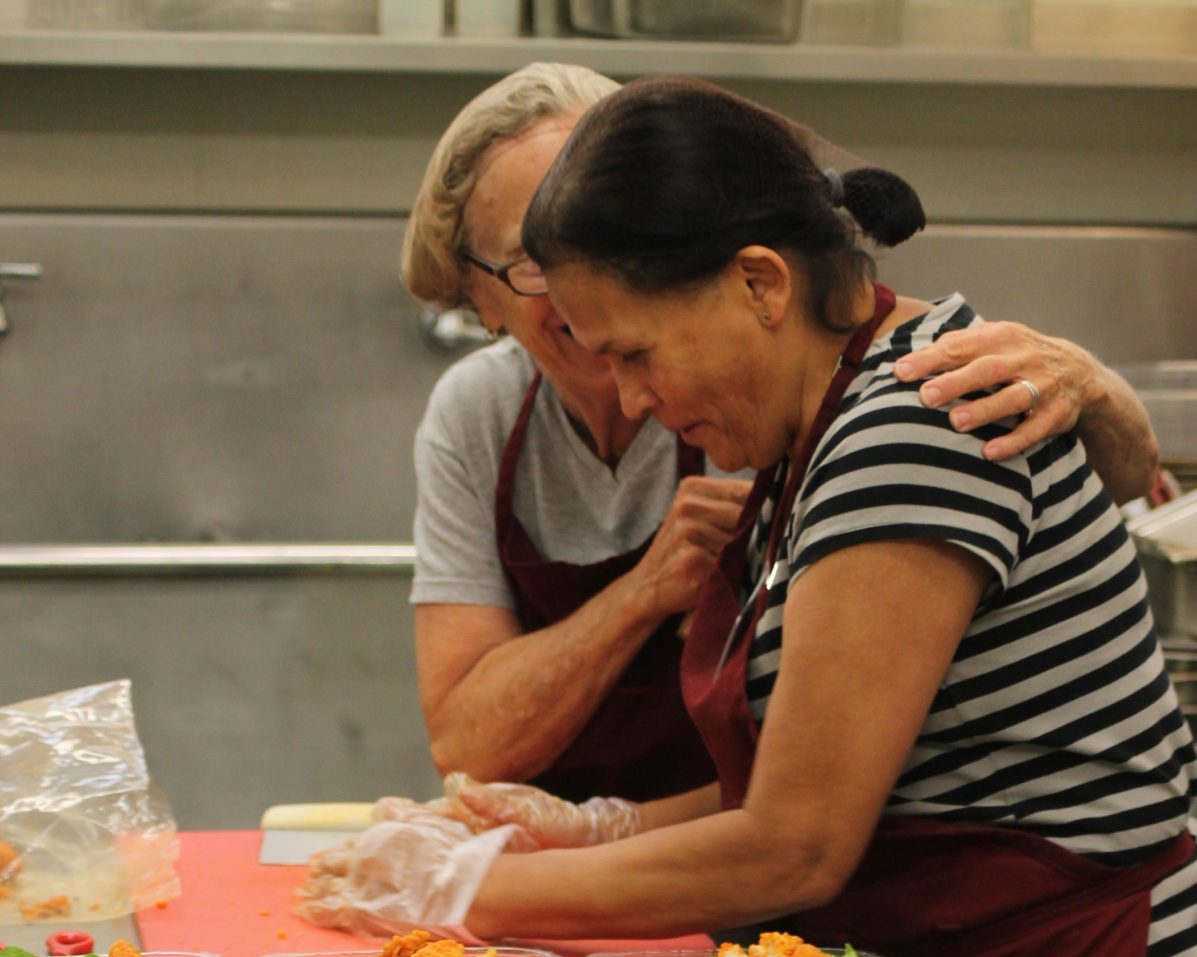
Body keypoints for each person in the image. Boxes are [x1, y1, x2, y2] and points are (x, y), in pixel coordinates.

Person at [371, 77, 1197, 957]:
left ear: (759, 283)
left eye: (633, 352)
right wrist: (609, 826)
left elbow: (797, 843)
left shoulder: (909, 430)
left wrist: (459, 891)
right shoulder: (814, 433)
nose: (625, 400)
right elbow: (856, 758)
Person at [400, 63, 1161, 807]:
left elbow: (799, 836)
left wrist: (1092, 384)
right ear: (475, 297)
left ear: (747, 277)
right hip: (685, 877)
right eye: (538, 260)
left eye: (600, 234)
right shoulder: (490, 410)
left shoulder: (878, 406)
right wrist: (640, 604)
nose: (582, 280)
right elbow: (469, 747)